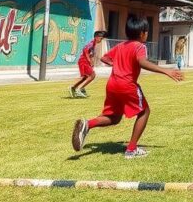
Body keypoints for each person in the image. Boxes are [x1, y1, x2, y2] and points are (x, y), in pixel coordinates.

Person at [71, 15, 183, 158]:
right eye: (147, 32)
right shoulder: (140, 47)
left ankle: (87, 124)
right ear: (142, 33)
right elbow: (142, 62)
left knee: (114, 118)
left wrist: (116, 65)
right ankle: (131, 149)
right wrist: (165, 71)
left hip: (112, 84)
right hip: (127, 84)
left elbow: (104, 57)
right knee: (144, 112)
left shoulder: (121, 46)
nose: (147, 34)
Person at [71, 31, 107, 98]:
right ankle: (79, 89)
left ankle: (73, 88)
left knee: (85, 77)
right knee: (92, 75)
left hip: (83, 61)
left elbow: (90, 53)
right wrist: (89, 61)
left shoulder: (93, 44)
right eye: (101, 38)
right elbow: (85, 50)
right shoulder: (91, 43)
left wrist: (91, 61)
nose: (101, 40)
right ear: (96, 37)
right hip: (83, 61)